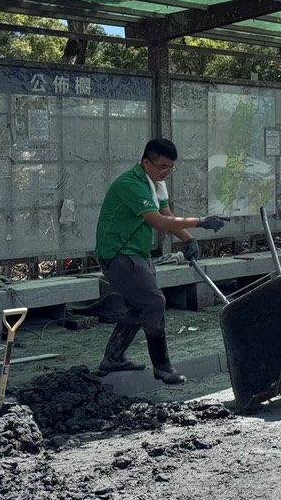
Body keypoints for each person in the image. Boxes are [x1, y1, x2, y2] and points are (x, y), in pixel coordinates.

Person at [95, 138, 226, 384]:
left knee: (139, 305)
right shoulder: (131, 184)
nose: (167, 172)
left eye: (171, 167)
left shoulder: (155, 183)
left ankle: (112, 358)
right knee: (154, 302)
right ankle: (163, 367)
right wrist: (200, 221)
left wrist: (188, 240)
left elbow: (168, 216)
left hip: (136, 253)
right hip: (117, 254)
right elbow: (158, 222)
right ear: (146, 162)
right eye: (162, 166)